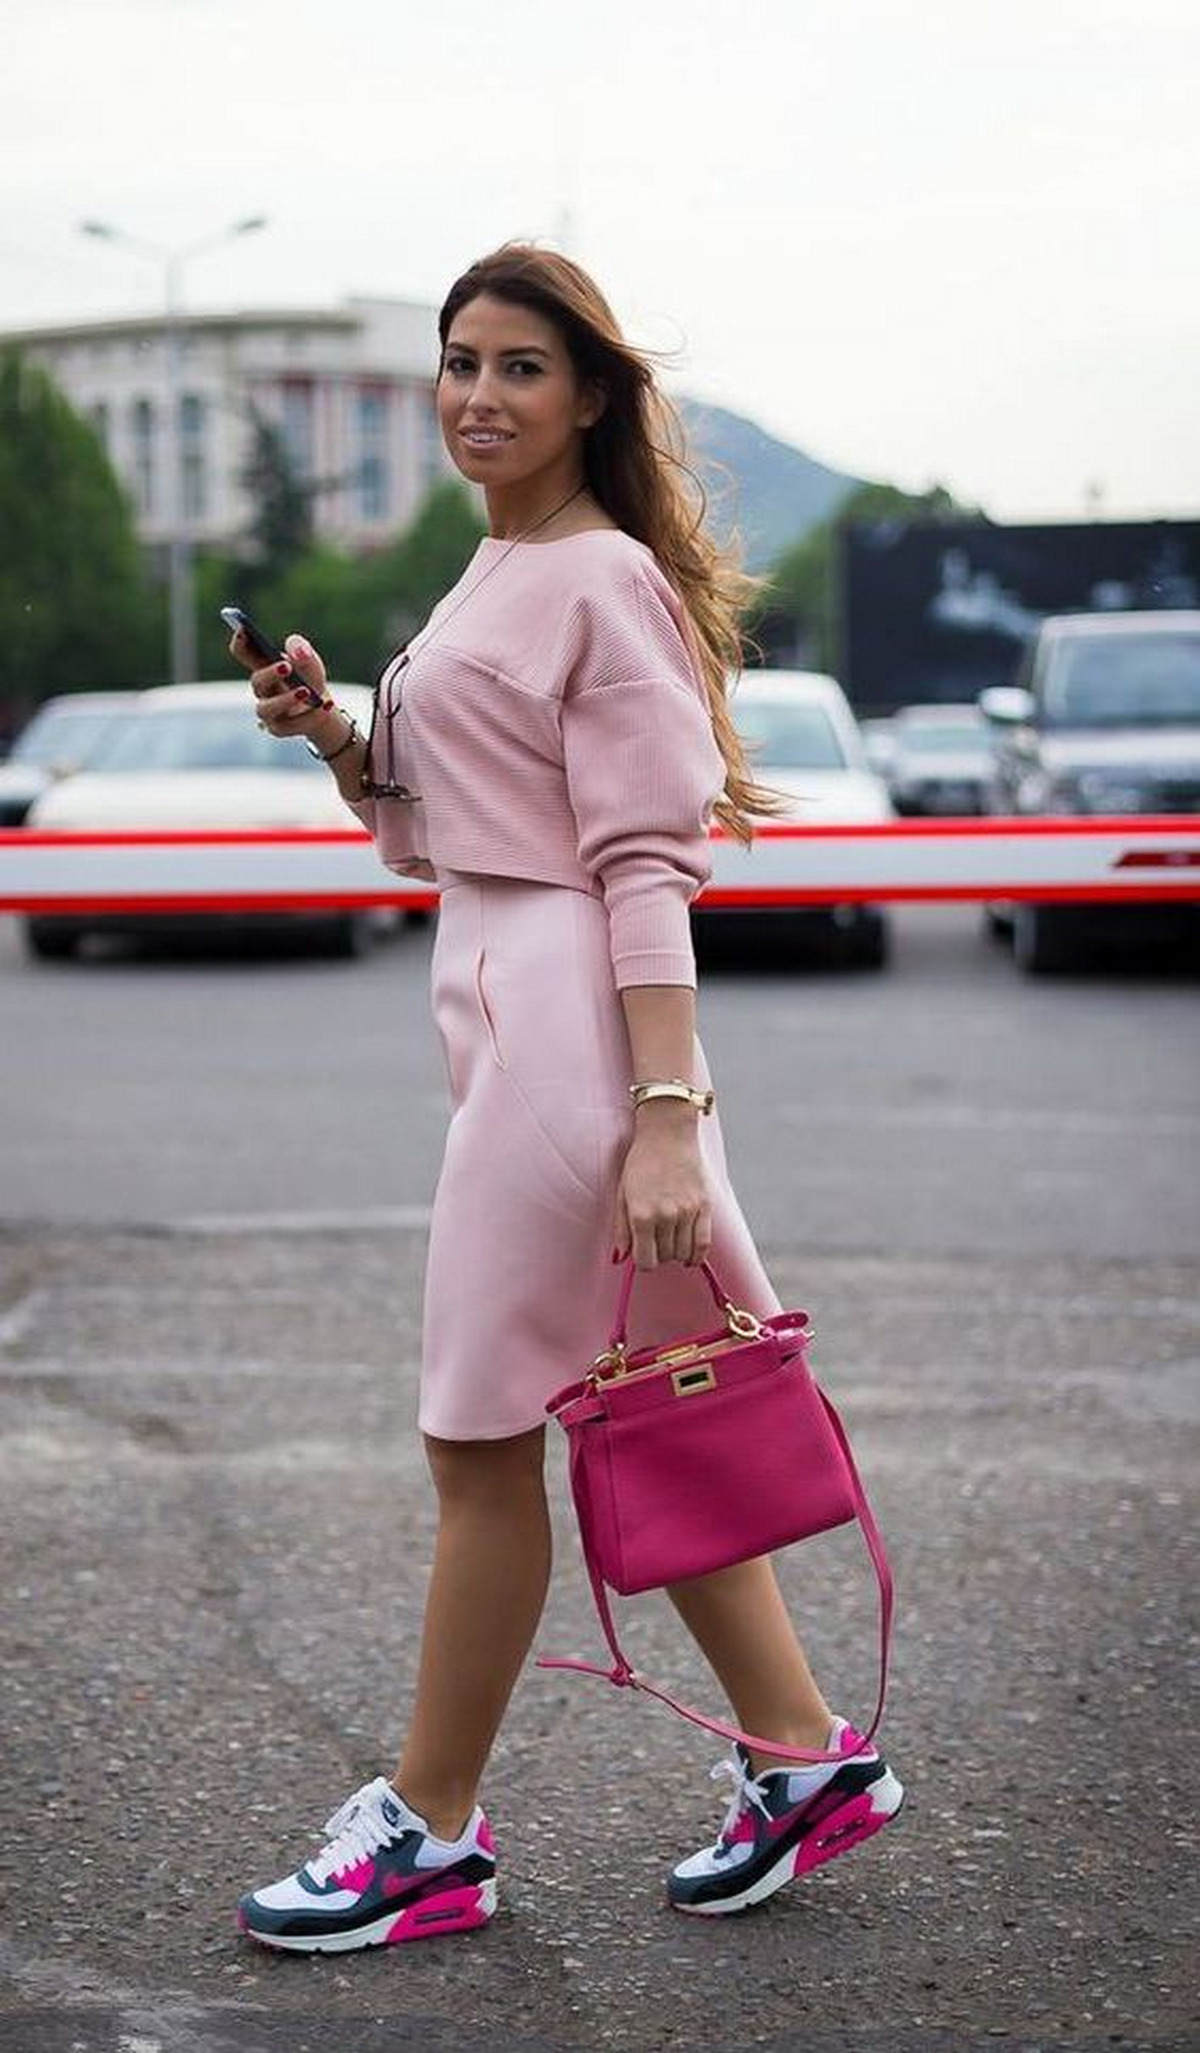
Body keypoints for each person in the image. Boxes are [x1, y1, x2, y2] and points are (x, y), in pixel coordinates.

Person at [230, 242, 903, 1952]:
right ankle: (804, 1758)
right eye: (460, 362)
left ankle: (430, 1834)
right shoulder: (497, 566)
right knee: (640, 1400)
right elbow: (471, 811)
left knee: (477, 1435)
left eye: (520, 366)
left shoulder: (597, 578)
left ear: (591, 394)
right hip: (518, 1013)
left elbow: (641, 859)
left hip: (574, 1046)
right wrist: (336, 739)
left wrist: (666, 1105)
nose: (477, 394)